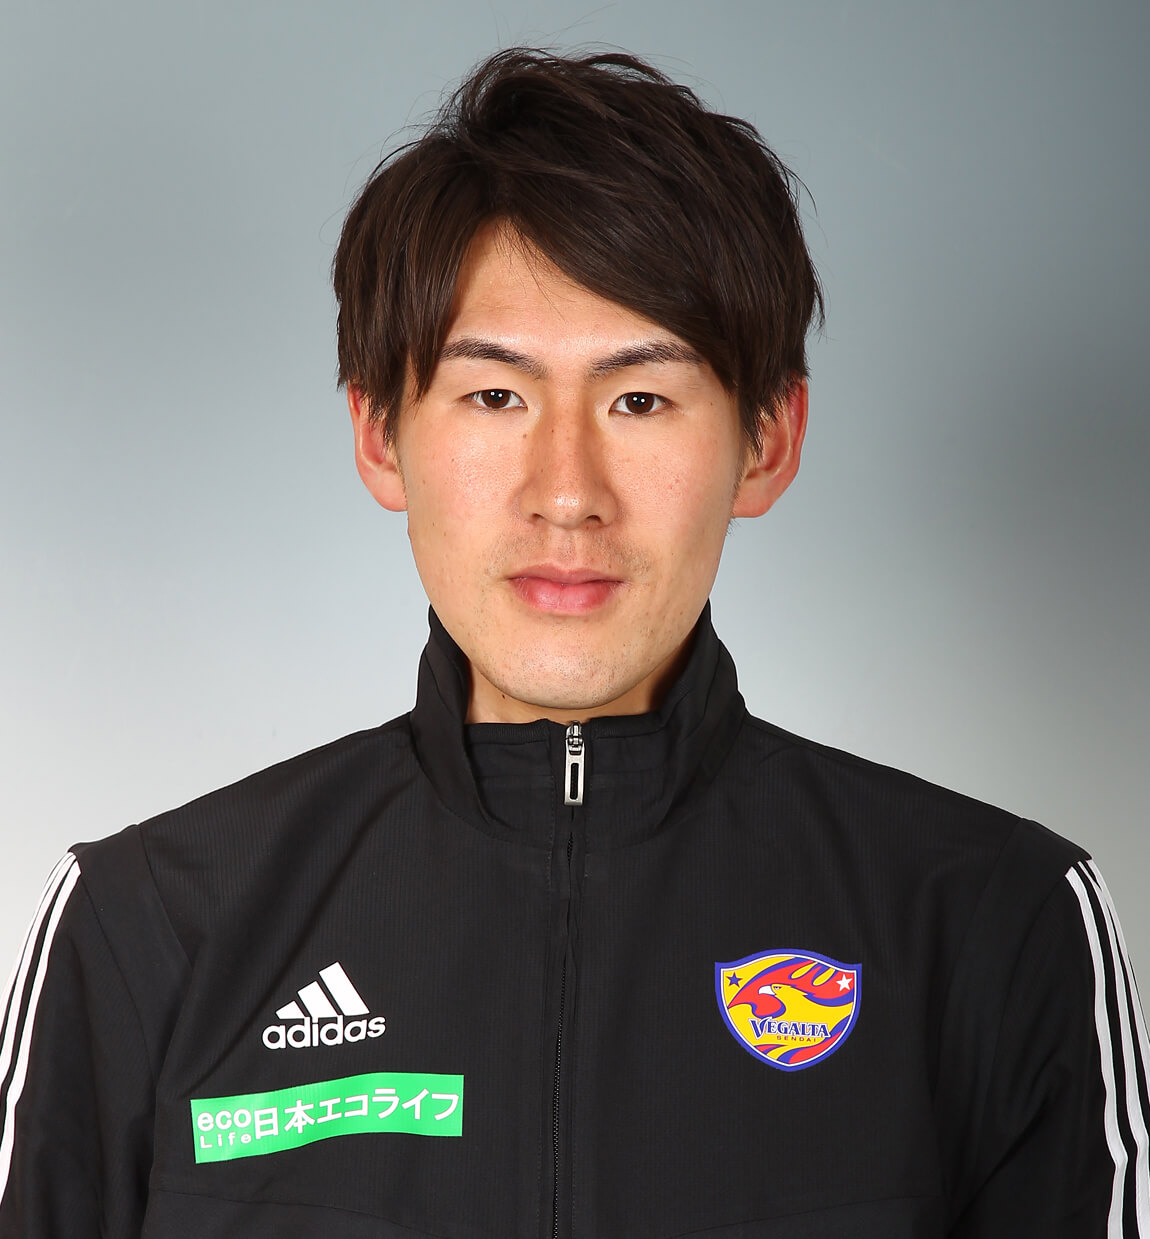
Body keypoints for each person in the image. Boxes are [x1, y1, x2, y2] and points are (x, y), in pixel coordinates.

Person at [0, 46, 1145, 1239]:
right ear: (381, 436)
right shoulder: (146, 930)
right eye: (495, 395)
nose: (566, 493)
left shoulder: (994, 925)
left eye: (639, 399)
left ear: (766, 441)